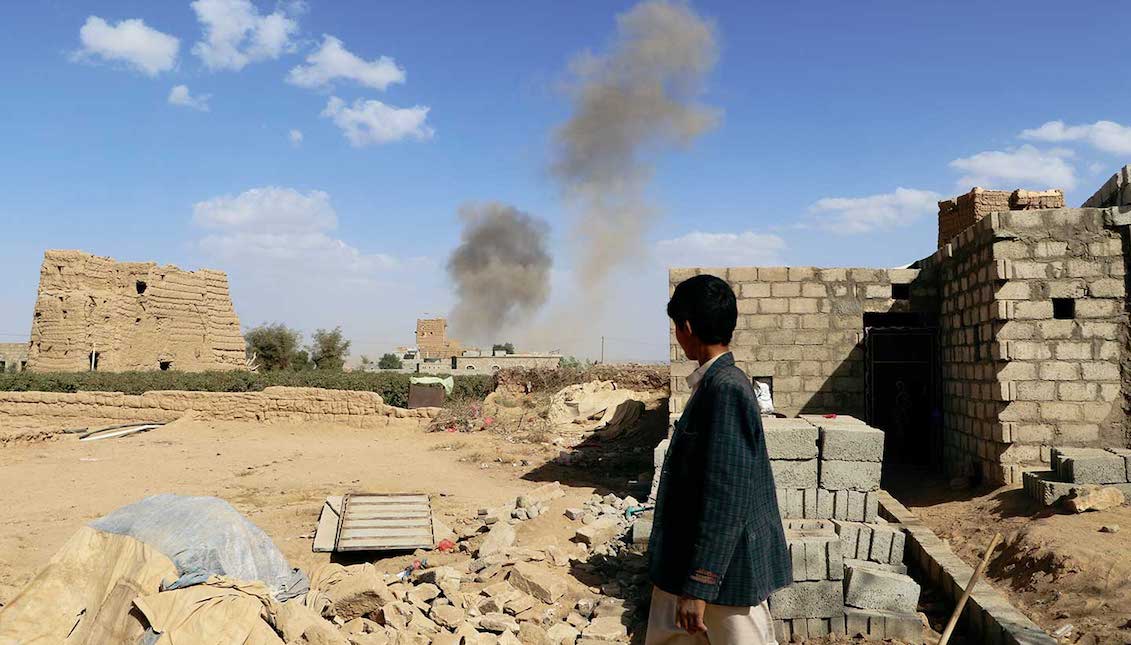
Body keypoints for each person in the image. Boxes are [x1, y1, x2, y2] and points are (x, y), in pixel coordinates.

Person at [646, 274, 792, 645]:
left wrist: (700, 584)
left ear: (687, 328)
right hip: (690, 570)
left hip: (724, 582)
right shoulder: (715, 384)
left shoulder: (725, 389)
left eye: (676, 327)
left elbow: (727, 496)